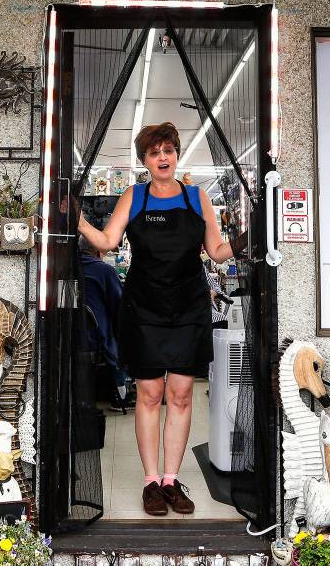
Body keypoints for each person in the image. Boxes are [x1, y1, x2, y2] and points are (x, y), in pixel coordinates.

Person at [77, 122, 245, 517]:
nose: (163, 157)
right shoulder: (133, 197)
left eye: (169, 149)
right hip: (145, 309)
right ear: (145, 161)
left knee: (182, 396)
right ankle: (151, 482)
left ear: (176, 154)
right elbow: (107, 242)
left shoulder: (196, 197)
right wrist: (77, 220)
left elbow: (218, 252)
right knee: (150, 395)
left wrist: (249, 236)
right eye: (155, 152)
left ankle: (172, 481)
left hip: (189, 308)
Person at [79, 235, 131, 409]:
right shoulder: (104, 271)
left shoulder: (68, 267)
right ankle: (120, 392)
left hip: (73, 330)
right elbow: (119, 305)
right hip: (98, 334)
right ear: (97, 249)